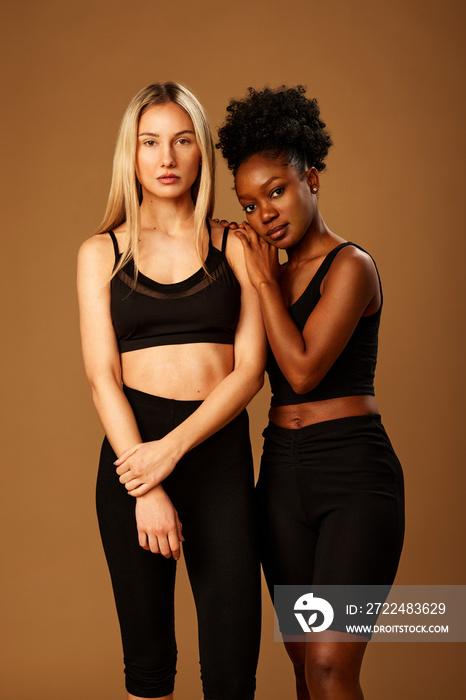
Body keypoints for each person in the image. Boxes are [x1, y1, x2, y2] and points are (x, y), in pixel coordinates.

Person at [77, 82, 265, 700]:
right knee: (150, 669)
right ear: (129, 155)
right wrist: (147, 481)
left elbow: (250, 371)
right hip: (132, 463)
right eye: (150, 142)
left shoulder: (233, 244)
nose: (166, 157)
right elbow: (102, 375)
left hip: (217, 456)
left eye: (183, 141)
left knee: (233, 669)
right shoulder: (99, 252)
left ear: (200, 153)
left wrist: (172, 451)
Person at [217, 85, 405, 700]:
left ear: (311, 179)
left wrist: (263, 283)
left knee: (330, 664)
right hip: (281, 477)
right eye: (249, 204)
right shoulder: (261, 271)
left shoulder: (352, 266)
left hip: (353, 474)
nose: (264, 213)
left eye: (276, 191)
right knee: (302, 666)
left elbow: (300, 372)